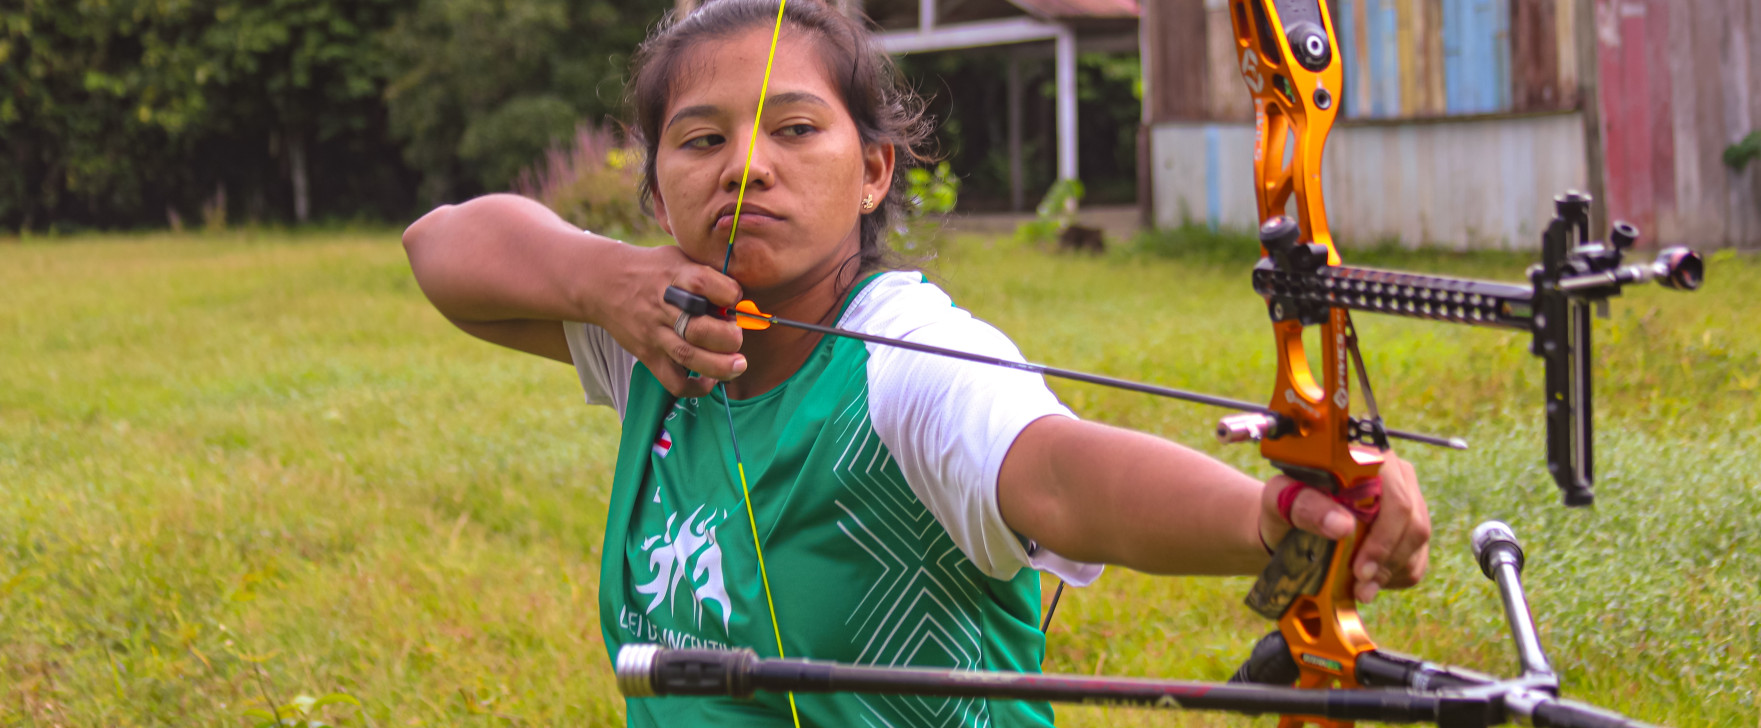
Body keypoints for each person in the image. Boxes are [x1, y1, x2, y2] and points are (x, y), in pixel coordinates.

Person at [400, 0, 1430, 724]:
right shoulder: (659, 339)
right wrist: (601, 279)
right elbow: (441, 248)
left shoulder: (911, 355)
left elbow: (1061, 474)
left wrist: (1270, 516)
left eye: (796, 129)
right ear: (658, 187)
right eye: (697, 139)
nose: (745, 163)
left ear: (874, 170)